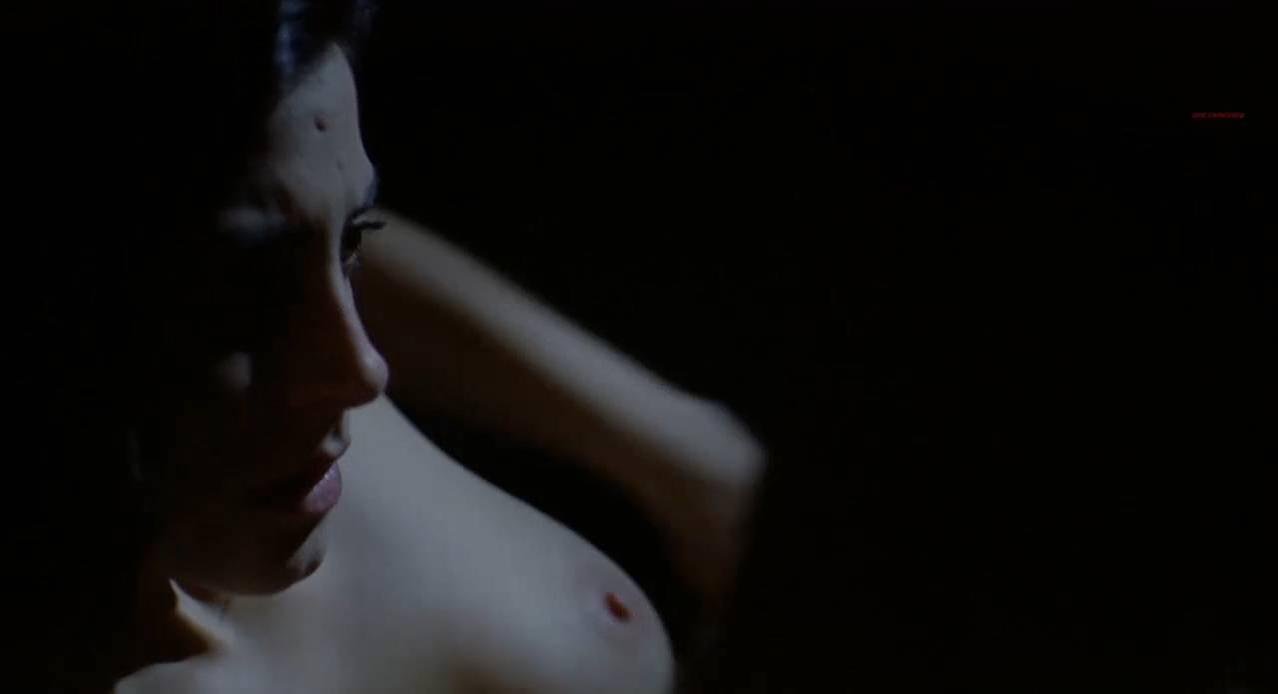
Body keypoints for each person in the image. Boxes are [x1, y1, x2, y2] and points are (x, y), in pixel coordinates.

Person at [10, 2, 764, 691]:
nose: (364, 371)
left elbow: (289, 204)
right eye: (244, 290)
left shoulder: (262, 428)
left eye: (353, 240)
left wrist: (682, 455)